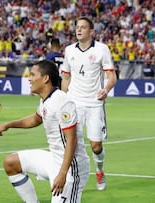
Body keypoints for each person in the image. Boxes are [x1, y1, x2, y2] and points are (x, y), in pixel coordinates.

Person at [0, 60, 90, 203]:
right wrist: (8, 125)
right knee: (11, 163)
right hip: (54, 160)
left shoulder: (62, 101)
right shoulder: (46, 100)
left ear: (45, 78)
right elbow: (36, 119)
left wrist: (62, 174)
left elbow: (71, 139)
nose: (29, 78)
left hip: (71, 169)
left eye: (32, 75)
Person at [61, 16, 117, 191]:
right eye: (77, 27)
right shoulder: (69, 50)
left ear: (91, 31)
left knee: (96, 145)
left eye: (83, 27)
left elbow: (111, 77)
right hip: (74, 102)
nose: (79, 30)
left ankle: (99, 171)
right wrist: (62, 99)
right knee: (71, 143)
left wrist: (105, 90)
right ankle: (70, 176)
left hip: (94, 104)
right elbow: (66, 77)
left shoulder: (102, 50)